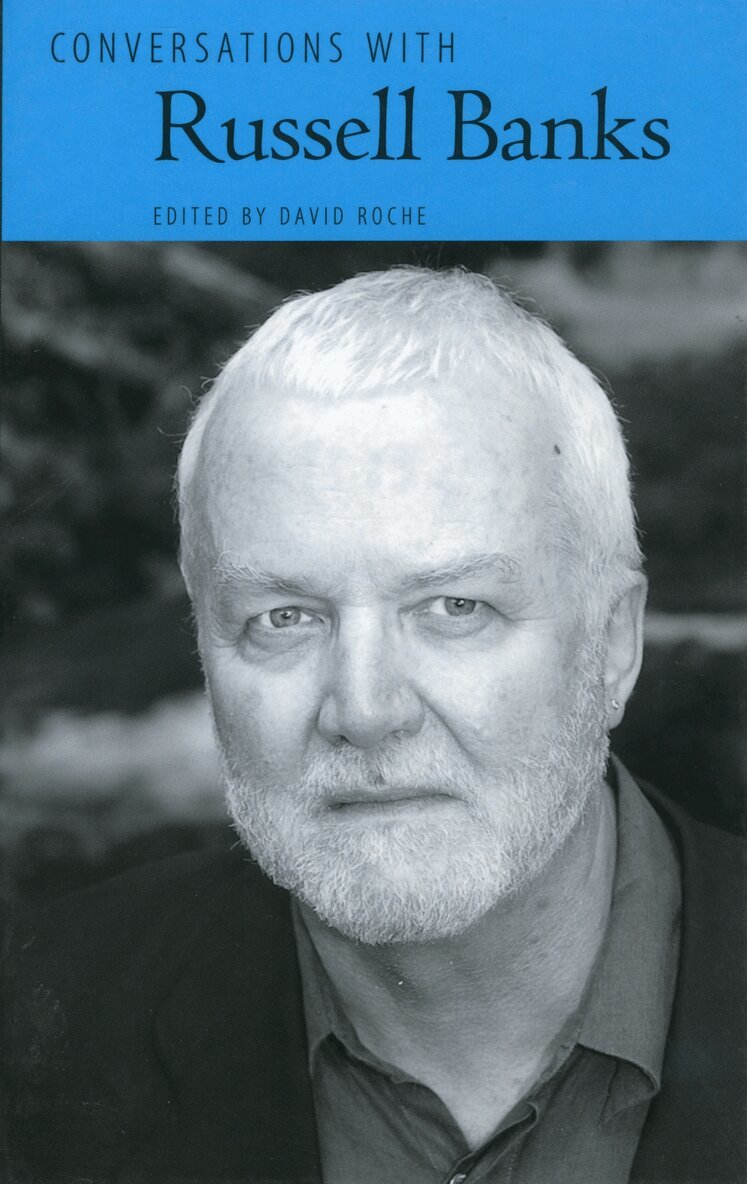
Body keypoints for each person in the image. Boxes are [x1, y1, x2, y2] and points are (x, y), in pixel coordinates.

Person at [3, 267, 745, 1183]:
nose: (363, 710)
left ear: (614, 644)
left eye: (454, 607)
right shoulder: (33, 1024)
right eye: (283, 617)